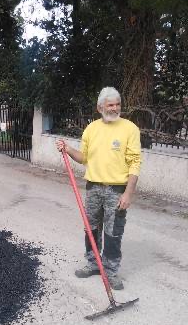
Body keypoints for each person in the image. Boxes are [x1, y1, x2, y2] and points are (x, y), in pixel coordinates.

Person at [56, 87, 141, 290]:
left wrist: (128, 192)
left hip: (117, 190)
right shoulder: (91, 129)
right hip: (93, 187)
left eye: (117, 104)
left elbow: (135, 162)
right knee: (91, 227)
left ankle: (110, 271)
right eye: (110, 104)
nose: (115, 108)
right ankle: (94, 264)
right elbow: (84, 158)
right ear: (100, 107)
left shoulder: (130, 129)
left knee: (113, 231)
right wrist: (67, 149)